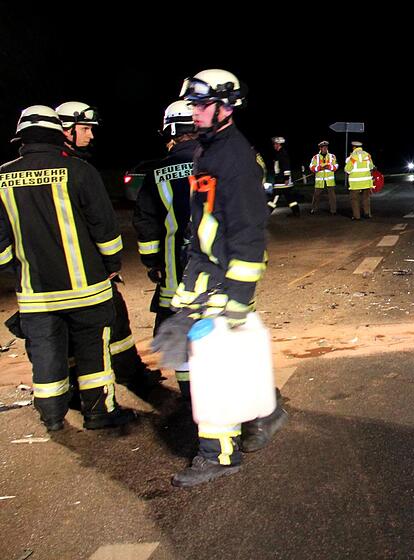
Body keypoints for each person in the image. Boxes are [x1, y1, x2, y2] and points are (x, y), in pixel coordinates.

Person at [153, 69, 287, 487]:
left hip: (221, 282)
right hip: (206, 277)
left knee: (212, 371)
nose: (195, 112)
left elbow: (248, 232)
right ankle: (265, 411)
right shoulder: (210, 151)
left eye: (202, 104)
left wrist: (238, 298)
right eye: (192, 104)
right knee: (212, 361)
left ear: (227, 106)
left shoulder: (234, 157)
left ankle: (219, 454)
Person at [0, 106, 136, 431]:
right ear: (57, 133)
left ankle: (52, 417)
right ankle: (99, 413)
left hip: (36, 294)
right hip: (86, 288)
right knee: (92, 352)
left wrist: (17, 273)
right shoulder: (78, 170)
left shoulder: (3, 176)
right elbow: (104, 228)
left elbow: (1, 242)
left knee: (46, 354)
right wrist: (111, 264)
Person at [56, 100, 160, 396]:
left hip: (54, 272)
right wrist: (111, 264)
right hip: (85, 269)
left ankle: (79, 385)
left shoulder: (47, 167)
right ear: (65, 129)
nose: (90, 135)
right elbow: (100, 223)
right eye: (85, 128)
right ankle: (127, 375)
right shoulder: (75, 169)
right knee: (109, 319)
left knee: (75, 331)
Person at [133, 100, 198, 400]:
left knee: (183, 338)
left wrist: (152, 262)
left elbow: (146, 224)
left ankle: (190, 398)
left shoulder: (157, 173)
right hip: (221, 272)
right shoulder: (219, 161)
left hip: (176, 272)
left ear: (171, 131)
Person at [267, 136, 300, 216]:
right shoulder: (279, 153)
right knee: (290, 197)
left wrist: (286, 178)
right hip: (282, 180)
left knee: (275, 197)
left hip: (281, 181)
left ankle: (266, 213)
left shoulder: (282, 154)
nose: (274, 145)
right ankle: (296, 212)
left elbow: (286, 167)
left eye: (275, 144)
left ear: (279, 144)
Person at [344, 140, 375, 220]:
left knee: (354, 199)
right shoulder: (367, 155)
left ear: (354, 147)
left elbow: (347, 169)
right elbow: (371, 167)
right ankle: (367, 213)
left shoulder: (352, 157)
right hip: (366, 181)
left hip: (356, 183)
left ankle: (357, 216)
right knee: (366, 198)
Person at [308, 141, 338, 215]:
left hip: (330, 180)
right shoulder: (315, 157)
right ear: (320, 148)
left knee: (332, 196)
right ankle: (314, 209)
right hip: (319, 181)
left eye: (326, 147)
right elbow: (311, 167)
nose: (325, 148)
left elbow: (336, 167)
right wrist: (319, 167)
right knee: (316, 195)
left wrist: (328, 166)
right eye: (323, 147)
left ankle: (333, 211)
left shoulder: (332, 156)